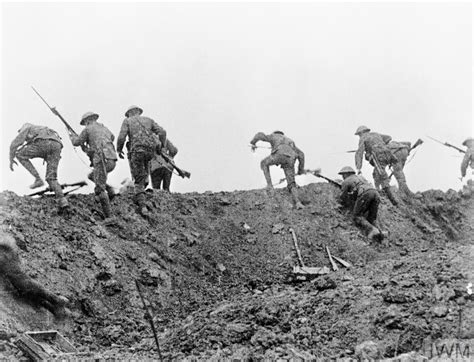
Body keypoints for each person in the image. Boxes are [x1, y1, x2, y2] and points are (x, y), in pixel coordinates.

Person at [0, 234, 68, 318]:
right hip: (4, 250)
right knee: (20, 289)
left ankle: (56, 300)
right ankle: (52, 307)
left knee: (20, 281)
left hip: (3, 252)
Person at [116, 105, 167, 215]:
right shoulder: (149, 120)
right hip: (150, 151)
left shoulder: (127, 121)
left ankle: (142, 205)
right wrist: (161, 147)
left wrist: (119, 150)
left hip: (137, 151)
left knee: (138, 177)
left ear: (129, 113)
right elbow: (162, 132)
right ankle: (141, 191)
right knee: (144, 172)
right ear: (139, 112)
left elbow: (121, 137)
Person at [9, 123, 69, 214]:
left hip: (44, 143)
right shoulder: (42, 129)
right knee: (51, 177)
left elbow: (15, 143)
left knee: (20, 154)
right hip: (57, 145)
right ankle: (62, 201)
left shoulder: (26, 127)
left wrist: (11, 158)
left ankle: (38, 179)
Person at [70, 112, 117, 224]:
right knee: (92, 176)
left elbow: (76, 142)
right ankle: (110, 190)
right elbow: (112, 137)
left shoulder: (88, 129)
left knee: (99, 189)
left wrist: (72, 136)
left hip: (101, 160)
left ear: (87, 121)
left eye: (85, 123)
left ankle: (110, 217)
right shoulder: (104, 128)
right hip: (111, 160)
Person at [250, 130, 305, 209]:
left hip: (279, 155)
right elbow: (301, 154)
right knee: (291, 183)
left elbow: (260, 135)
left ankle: (269, 185)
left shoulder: (274, 136)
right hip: (291, 159)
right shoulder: (290, 141)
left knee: (264, 163)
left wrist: (253, 142)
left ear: (275, 133)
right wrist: (300, 169)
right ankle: (298, 203)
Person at [354, 125, 398, 205]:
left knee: (382, 175)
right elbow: (389, 137)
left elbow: (359, 153)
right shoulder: (376, 134)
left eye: (359, 134)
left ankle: (392, 199)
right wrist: (380, 144)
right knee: (376, 174)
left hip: (378, 156)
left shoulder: (363, 138)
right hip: (388, 154)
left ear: (362, 132)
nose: (359, 136)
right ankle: (379, 190)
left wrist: (359, 168)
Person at [338, 166, 383, 241]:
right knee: (371, 218)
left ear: (347, 174)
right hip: (375, 193)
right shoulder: (360, 177)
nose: (343, 177)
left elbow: (343, 196)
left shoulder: (347, 181)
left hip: (365, 193)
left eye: (343, 175)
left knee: (357, 216)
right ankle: (380, 234)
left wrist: (343, 204)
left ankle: (373, 230)